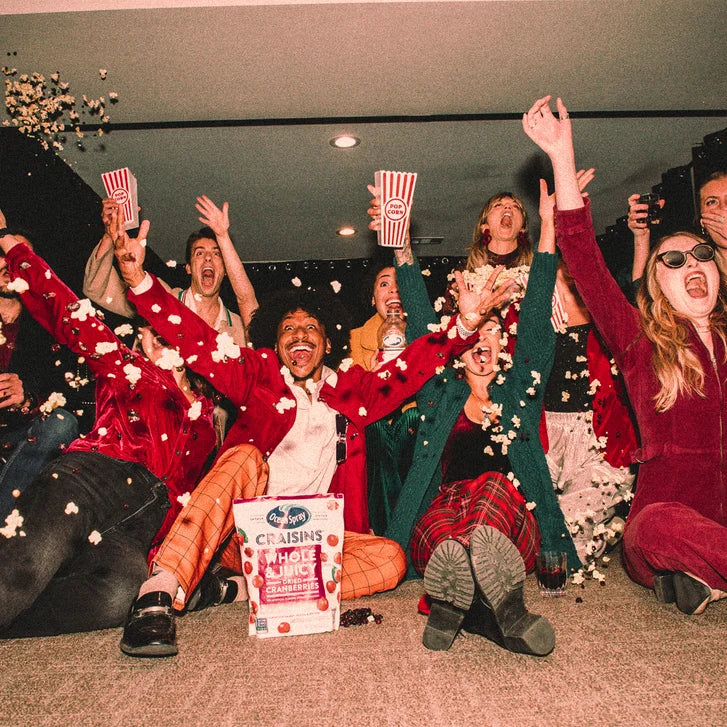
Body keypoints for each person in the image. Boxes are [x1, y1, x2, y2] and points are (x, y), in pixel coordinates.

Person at [111, 219, 503, 657]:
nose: (299, 335)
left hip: (311, 542)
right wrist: (140, 282)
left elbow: (408, 370)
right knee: (244, 458)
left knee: (391, 559)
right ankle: (158, 593)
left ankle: (239, 591)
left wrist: (463, 327)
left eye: (310, 328)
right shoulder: (257, 377)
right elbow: (200, 343)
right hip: (242, 537)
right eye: (288, 330)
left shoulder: (351, 390)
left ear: (327, 343)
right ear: (275, 345)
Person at [523, 93, 727, 616]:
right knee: (656, 530)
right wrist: (561, 156)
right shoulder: (641, 340)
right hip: (667, 516)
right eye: (674, 260)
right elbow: (584, 258)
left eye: (702, 255)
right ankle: (695, 568)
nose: (692, 264)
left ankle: (699, 579)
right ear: (657, 285)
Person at [384, 180, 580, 656]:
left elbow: (536, 314)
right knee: (443, 534)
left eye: (493, 332)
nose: (483, 340)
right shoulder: (440, 393)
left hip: (509, 521)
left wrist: (549, 227)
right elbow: (420, 322)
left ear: (504, 346)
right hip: (446, 515)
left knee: (492, 486)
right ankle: (495, 613)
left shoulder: (520, 391)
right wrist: (401, 243)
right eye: (475, 333)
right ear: (459, 344)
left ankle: (456, 599)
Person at [0, 219, 216, 637]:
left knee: (118, 595)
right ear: (140, 341)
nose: (163, 336)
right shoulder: (125, 366)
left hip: (138, 523)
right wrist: (10, 244)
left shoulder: (208, 418)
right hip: (92, 479)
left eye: (173, 329)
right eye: (153, 330)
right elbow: (65, 310)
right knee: (21, 573)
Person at [83, 195, 257, 345]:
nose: (208, 258)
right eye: (199, 253)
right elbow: (96, 288)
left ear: (226, 270)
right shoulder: (162, 297)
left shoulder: (239, 328)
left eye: (216, 253)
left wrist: (223, 235)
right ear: (188, 268)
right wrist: (110, 234)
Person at [0, 214, 79, 517]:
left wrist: (26, 400)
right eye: (4, 253)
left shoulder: (48, 332)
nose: (10, 263)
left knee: (62, 423)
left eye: (19, 258)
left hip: (19, 440)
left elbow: (66, 396)